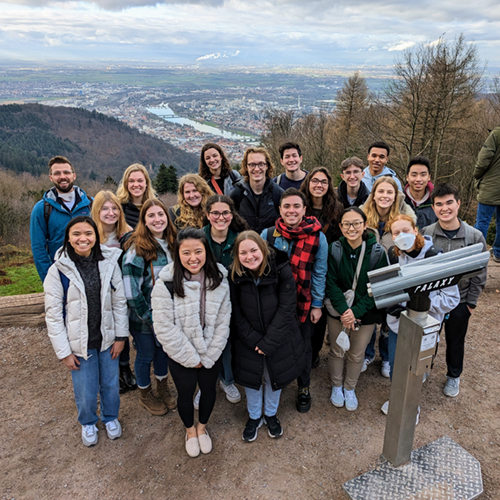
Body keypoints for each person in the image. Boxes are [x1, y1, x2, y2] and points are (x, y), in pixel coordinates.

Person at [44, 216, 128, 447]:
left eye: (88, 234)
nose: (83, 238)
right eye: (77, 234)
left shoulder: (110, 262)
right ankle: (88, 421)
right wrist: (63, 352)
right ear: (69, 238)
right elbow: (53, 315)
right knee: (85, 388)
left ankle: (110, 417)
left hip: (107, 338)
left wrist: (121, 337)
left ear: (96, 236)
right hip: (78, 343)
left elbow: (119, 302)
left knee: (111, 384)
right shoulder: (58, 270)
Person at [151, 228, 231, 458]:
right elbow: (164, 326)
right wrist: (191, 358)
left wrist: (208, 355)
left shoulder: (220, 279)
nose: (193, 258)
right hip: (180, 353)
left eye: (198, 251)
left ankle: (202, 428)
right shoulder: (166, 283)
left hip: (211, 351)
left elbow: (223, 320)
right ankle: (189, 431)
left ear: (206, 251)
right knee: (185, 393)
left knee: (208, 390)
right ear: (177, 253)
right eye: (186, 252)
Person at [381, 214, 460, 418]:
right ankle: (398, 399)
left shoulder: (435, 257)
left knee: (416, 369)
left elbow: (451, 299)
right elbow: (388, 288)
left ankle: (411, 407)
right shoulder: (394, 255)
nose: (401, 235)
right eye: (396, 232)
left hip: (424, 326)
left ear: (415, 230)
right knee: (397, 366)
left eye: (405, 230)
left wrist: (419, 302)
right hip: (398, 325)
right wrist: (392, 304)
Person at [229, 231, 306, 441]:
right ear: (237, 255)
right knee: (252, 378)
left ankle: (271, 414)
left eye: (253, 250)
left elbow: (287, 307)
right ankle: (254, 416)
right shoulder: (235, 275)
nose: (249, 256)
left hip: (278, 336)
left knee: (274, 377)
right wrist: (254, 340)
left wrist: (268, 342)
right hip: (248, 340)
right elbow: (235, 311)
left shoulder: (281, 269)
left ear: (262, 249)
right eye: (243, 252)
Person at [261, 188, 327, 413]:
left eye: (296, 206)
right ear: (279, 209)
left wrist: (317, 304)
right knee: (277, 344)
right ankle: (276, 384)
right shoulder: (268, 235)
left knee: (304, 345)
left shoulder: (318, 236)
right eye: (286, 206)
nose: (291, 211)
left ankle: (303, 386)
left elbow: (319, 272)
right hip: (274, 303)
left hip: (304, 302)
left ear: (304, 209)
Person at [422, 183, 488, 398]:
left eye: (449, 202)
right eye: (439, 204)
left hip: (460, 301)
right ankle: (424, 369)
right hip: (432, 301)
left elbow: (479, 274)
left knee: (456, 339)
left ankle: (453, 375)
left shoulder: (474, 237)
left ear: (458, 204)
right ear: (433, 208)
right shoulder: (427, 234)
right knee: (428, 337)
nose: (445, 208)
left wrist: (470, 303)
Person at [325, 207, 388, 411]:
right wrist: (345, 311)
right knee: (336, 350)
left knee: (356, 353)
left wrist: (356, 312)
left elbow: (378, 288)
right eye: (346, 224)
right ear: (341, 227)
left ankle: (349, 388)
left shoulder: (378, 252)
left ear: (365, 225)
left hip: (366, 315)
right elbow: (331, 283)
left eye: (356, 223)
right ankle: (336, 385)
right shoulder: (334, 249)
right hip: (338, 312)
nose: (351, 228)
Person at [121, 199, 177, 416]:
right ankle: (145, 393)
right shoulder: (137, 250)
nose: (157, 219)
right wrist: (151, 318)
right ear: (144, 220)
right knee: (146, 354)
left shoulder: (173, 243)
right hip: (142, 316)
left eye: (161, 214)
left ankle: (162, 385)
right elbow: (131, 292)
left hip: (168, 313)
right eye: (151, 216)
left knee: (164, 352)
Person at [360, 176, 416, 377]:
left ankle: (385, 356)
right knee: (369, 317)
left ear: (396, 196)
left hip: (395, 276)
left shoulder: (404, 219)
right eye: (380, 191)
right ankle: (367, 353)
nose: (384, 196)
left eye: (389, 192)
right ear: (373, 195)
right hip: (368, 275)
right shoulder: (362, 216)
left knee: (389, 318)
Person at [91, 191, 136, 394]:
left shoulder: (127, 232)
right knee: (106, 329)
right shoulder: (91, 234)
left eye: (114, 208)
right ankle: (112, 371)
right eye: (105, 209)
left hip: (122, 290)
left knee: (122, 327)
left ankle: (125, 367)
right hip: (100, 291)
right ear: (97, 211)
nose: (111, 213)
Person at [300, 167, 344, 368]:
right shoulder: (299, 207)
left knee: (320, 314)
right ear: (308, 183)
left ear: (329, 185)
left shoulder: (336, 210)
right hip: (301, 267)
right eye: (315, 181)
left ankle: (314, 352)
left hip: (326, 268)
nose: (319, 185)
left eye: (323, 182)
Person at [30, 156, 92, 282]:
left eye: (66, 172)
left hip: (90, 274)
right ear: (51, 177)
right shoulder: (42, 209)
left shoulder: (92, 205)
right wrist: (49, 280)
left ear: (74, 175)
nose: (62, 176)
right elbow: (39, 249)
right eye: (57, 173)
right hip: (61, 276)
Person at [230, 147, 284, 234]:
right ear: (246, 167)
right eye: (252, 164)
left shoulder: (278, 194)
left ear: (267, 166)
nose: (256, 169)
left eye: (261, 164)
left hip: (270, 246)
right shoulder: (237, 194)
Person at [473, 126, 500, 262]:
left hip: (491, 186)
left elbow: (483, 159)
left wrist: (477, 175)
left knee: (482, 221)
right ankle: (499, 253)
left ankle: (476, 253)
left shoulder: (496, 134)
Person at [117, 163, 156, 229]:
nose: (136, 184)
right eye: (131, 181)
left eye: (140, 181)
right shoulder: (118, 208)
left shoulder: (156, 205)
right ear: (126, 184)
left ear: (146, 183)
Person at [403, 156, 437, 230]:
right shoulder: (398, 201)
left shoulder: (436, 202)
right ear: (407, 177)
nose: (418, 179)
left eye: (423, 175)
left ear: (429, 177)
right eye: (414, 175)